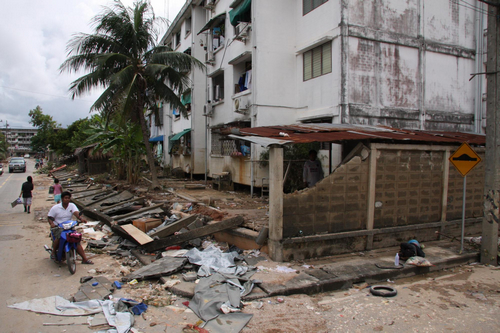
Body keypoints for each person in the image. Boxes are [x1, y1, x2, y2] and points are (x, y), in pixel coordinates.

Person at [47, 191, 93, 264]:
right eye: (65, 198)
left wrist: (81, 219)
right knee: (59, 237)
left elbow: (76, 213)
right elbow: (50, 217)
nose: (67, 199)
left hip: (69, 226)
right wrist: (52, 224)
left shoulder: (72, 205)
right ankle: (53, 252)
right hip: (58, 227)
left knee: (76, 240)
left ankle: (84, 259)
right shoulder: (55, 208)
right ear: (62, 199)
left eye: (68, 198)